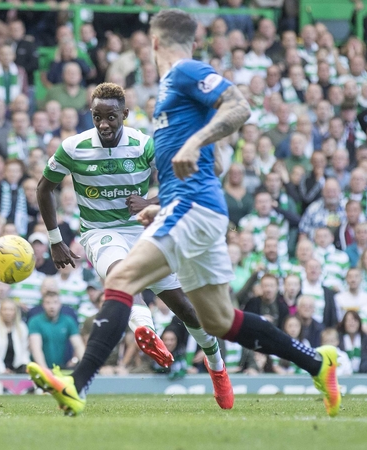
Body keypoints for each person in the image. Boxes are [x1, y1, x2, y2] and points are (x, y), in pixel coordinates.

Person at [26, 10, 341, 417]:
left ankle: (76, 385)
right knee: (220, 320)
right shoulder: (169, 93)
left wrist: (196, 144)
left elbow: (239, 108)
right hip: (191, 208)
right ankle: (318, 363)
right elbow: (217, 165)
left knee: (121, 279)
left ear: (155, 43)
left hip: (191, 210)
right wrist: (163, 197)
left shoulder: (184, 72)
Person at [36, 81, 233, 409]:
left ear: (125, 114)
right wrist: (55, 240)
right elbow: (44, 189)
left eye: (111, 117)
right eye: (97, 117)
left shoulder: (144, 145)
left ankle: (217, 368)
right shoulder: (72, 148)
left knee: (185, 308)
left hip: (144, 230)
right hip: (99, 232)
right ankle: (145, 329)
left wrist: (150, 200)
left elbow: (186, 178)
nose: (104, 125)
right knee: (120, 273)